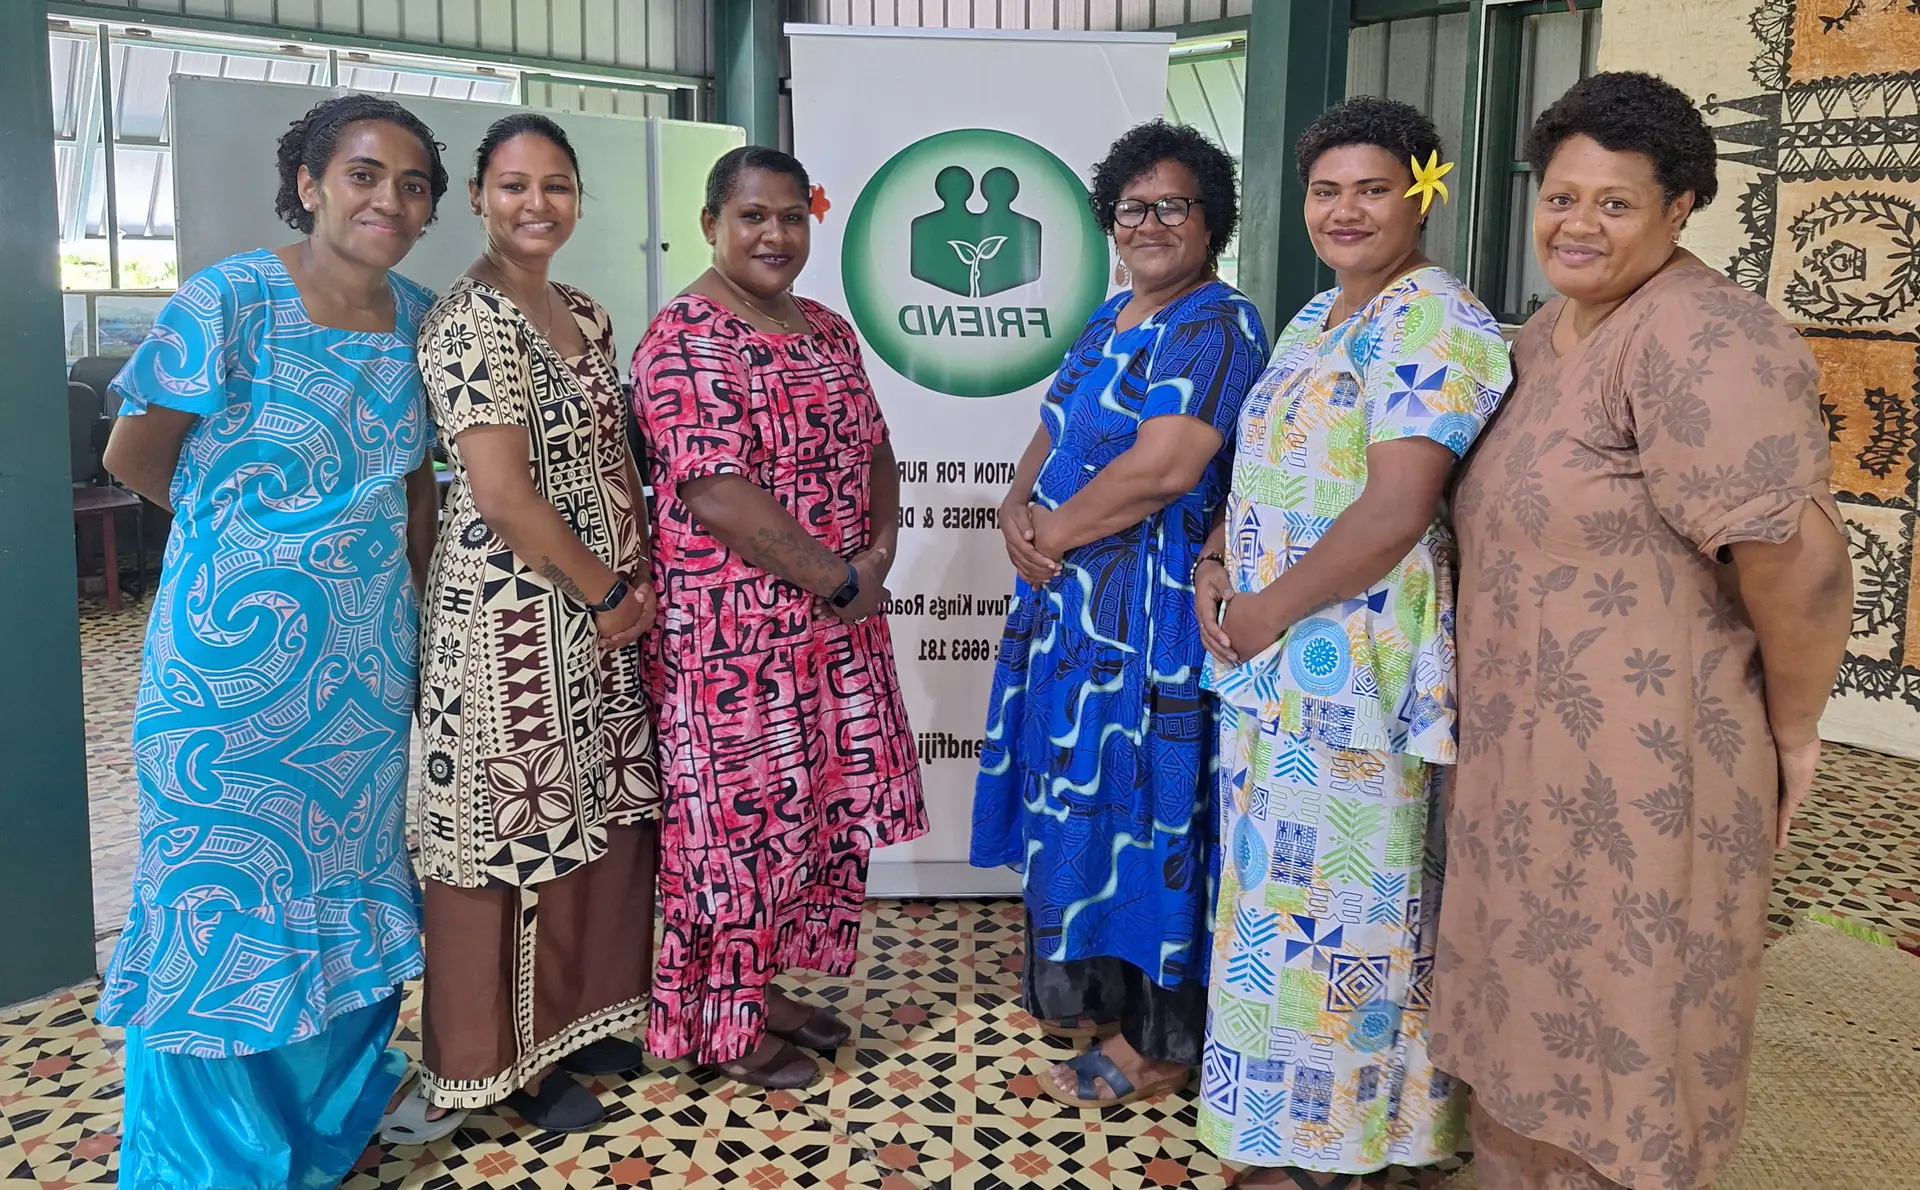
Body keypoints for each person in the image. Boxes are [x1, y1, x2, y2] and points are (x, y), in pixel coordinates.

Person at [1429, 72, 1851, 1190]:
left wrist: (1795, 731)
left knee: (1629, 1020)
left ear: (1681, 208)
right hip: (1528, 757)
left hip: (1645, 763)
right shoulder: (1546, 333)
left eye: (1615, 203)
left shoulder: (1706, 339)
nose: (1578, 224)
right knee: (1528, 1004)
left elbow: (1798, 563)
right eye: (1560, 196)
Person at [94, 94, 447, 1188]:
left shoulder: (421, 317)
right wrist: (246, 544)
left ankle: (324, 1124)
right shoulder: (231, 297)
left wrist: (417, 618)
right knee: (220, 904)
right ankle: (209, 1164)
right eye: (363, 174)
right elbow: (135, 454)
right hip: (225, 675)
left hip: (363, 669)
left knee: (347, 883)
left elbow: (419, 492)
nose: (389, 198)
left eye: (414, 184)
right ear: (307, 182)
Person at [1190, 97, 1510, 1187]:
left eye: (1373, 187)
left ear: (1424, 190)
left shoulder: (1434, 320)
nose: (1345, 209)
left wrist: (1269, 609)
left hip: (1350, 675)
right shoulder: (1316, 317)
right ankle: (1281, 1127)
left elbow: (1396, 506)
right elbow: (1261, 468)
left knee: (1346, 922)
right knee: (1277, 910)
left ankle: (1345, 1144)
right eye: (1326, 190)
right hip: (1271, 666)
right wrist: (1219, 566)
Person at [970, 120, 1269, 1110]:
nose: (1148, 223)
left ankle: (1161, 1043)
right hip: (1074, 627)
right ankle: (1106, 992)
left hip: (1152, 634)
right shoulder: (1111, 318)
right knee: (1089, 816)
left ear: (1212, 219)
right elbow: (1053, 427)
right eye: (1130, 207)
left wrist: (1049, 534)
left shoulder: (1215, 326)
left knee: (1154, 827)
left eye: (1172, 204)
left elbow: (1166, 469)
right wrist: (1017, 506)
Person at [386, 113, 661, 1140]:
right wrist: (603, 591)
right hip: (509, 614)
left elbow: (614, 456)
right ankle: (493, 1062)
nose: (535, 204)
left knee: (600, 812)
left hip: (604, 606)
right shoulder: (469, 321)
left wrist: (638, 584)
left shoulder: (583, 313)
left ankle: (581, 1019)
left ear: (577, 198)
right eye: (513, 186)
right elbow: (500, 494)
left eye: (554, 185)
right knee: (512, 832)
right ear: (478, 199)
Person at [629, 146, 927, 1090]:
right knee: (734, 831)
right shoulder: (684, 336)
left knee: (808, 818)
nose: (776, 235)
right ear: (714, 221)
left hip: (832, 620)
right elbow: (717, 494)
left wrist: (875, 558)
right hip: (733, 637)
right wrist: (838, 578)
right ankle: (718, 1026)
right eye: (754, 215)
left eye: (793, 217)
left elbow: (877, 449)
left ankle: (760, 990)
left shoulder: (827, 328)